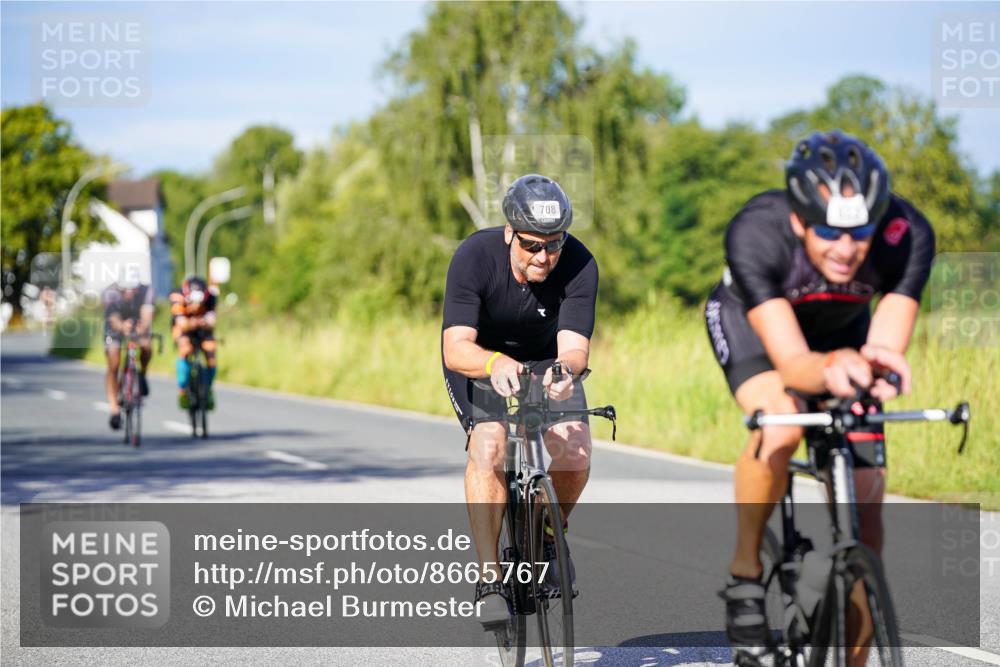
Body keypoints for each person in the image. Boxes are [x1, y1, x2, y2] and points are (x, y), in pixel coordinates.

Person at [705, 131, 935, 665]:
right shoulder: (756, 232)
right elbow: (792, 365)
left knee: (868, 523)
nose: (847, 248)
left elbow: (884, 346)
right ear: (798, 222)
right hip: (757, 330)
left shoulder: (907, 233)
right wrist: (831, 367)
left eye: (861, 231)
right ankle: (745, 575)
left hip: (843, 336)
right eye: (829, 231)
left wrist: (875, 370)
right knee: (782, 423)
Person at [441, 174, 599, 624]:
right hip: (481, 360)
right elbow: (456, 347)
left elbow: (574, 347)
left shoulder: (580, 263)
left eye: (554, 244)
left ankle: (548, 533)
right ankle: (490, 577)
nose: (543, 256)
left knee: (575, 449)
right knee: (490, 446)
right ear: (510, 232)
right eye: (531, 244)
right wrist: (494, 365)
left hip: (545, 360)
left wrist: (565, 372)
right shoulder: (475, 256)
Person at [102, 276, 155, 430]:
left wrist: (142, 328)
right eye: (126, 290)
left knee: (146, 345)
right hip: (114, 327)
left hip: (136, 322)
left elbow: (147, 314)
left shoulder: (147, 291)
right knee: (114, 361)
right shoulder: (110, 292)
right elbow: (113, 318)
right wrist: (122, 327)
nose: (130, 293)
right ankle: (114, 409)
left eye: (133, 290)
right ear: (120, 289)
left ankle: (142, 375)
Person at [169, 276, 218, 410]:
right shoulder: (177, 296)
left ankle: (207, 389)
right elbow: (181, 323)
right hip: (183, 328)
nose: (196, 306)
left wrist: (203, 322)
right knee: (185, 349)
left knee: (211, 351)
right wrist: (195, 321)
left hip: (202, 330)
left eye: (199, 303)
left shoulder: (211, 297)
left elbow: (212, 321)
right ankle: (183, 389)